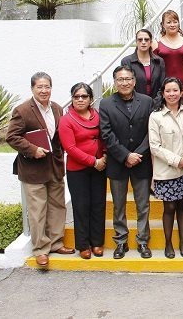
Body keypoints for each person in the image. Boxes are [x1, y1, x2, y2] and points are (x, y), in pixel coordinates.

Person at [6, 72, 73, 268]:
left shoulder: (58, 108)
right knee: (37, 211)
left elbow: (59, 136)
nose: (44, 90)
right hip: (33, 169)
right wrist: (32, 149)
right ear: (32, 89)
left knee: (58, 207)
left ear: (51, 88)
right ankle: (41, 249)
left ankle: (56, 243)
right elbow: (12, 137)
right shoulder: (22, 110)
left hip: (55, 167)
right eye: (40, 87)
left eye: (47, 87)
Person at [99, 65, 154, 260]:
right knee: (119, 205)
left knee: (143, 205)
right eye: (120, 79)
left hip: (142, 161)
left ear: (134, 80)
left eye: (128, 79)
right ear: (115, 82)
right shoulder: (106, 104)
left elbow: (151, 131)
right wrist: (125, 155)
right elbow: (106, 134)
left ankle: (143, 241)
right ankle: (121, 241)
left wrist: (137, 154)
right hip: (117, 163)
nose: (125, 83)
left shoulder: (147, 101)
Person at [58, 82, 107, 260]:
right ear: (72, 99)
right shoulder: (66, 120)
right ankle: (83, 245)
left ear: (91, 99)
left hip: (100, 166)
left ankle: (97, 242)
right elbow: (70, 148)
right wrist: (94, 162)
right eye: (76, 96)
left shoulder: (98, 115)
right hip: (78, 170)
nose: (80, 99)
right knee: (81, 206)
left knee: (98, 205)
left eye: (84, 96)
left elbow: (105, 137)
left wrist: (105, 157)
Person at [148, 77, 183, 259]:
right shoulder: (156, 116)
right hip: (165, 170)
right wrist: (176, 160)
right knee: (169, 207)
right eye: (168, 91)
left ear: (181, 92)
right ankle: (168, 243)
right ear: (163, 93)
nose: (172, 94)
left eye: (175, 90)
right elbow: (154, 146)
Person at [121, 28, 165, 100]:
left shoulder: (159, 61)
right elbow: (127, 85)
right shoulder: (127, 61)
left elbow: (162, 85)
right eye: (140, 40)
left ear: (151, 42)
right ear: (136, 42)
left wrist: (156, 101)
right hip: (134, 103)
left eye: (146, 40)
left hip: (156, 103)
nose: (143, 42)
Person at [153, 10, 183, 87]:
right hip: (164, 86)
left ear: (179, 23)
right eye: (169, 22)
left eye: (175, 22)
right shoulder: (156, 43)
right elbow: (153, 68)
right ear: (163, 25)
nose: (172, 25)